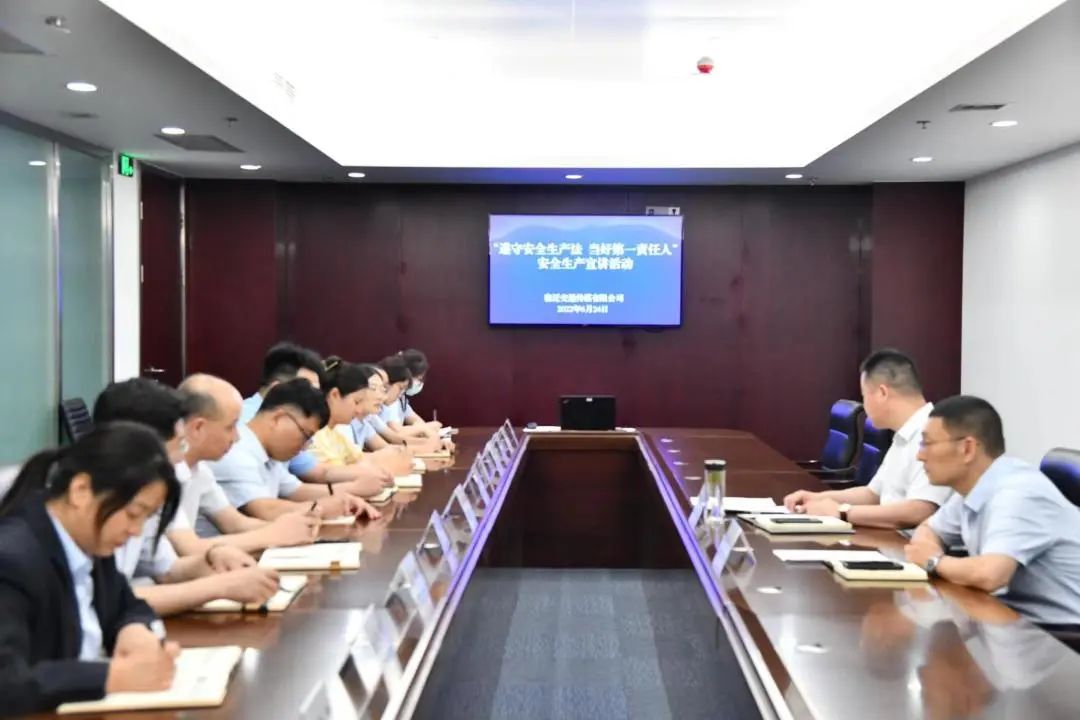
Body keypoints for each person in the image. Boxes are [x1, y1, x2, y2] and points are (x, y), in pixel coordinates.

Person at [0, 423, 182, 715]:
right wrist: (113, 677)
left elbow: (127, 604)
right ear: (81, 490)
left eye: (146, 518)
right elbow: (7, 682)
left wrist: (133, 629)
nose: (136, 531)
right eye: (133, 514)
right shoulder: (12, 560)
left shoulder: (90, 539)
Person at [92, 379, 281, 617]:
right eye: (179, 446)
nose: (182, 459)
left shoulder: (144, 494)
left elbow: (167, 570)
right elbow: (107, 601)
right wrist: (219, 587)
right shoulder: (93, 505)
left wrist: (213, 556)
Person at [905, 395, 1080, 626]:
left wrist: (933, 561)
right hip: (1016, 619)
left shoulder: (1017, 494)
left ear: (967, 448)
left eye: (927, 444)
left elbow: (990, 575)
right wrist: (930, 553)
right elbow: (928, 529)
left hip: (1062, 636)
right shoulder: (975, 487)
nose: (920, 455)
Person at [784, 349, 951, 528]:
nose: (864, 404)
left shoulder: (935, 434)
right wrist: (818, 498)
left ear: (882, 393)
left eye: (864, 395)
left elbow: (920, 510)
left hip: (910, 542)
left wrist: (842, 512)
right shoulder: (904, 434)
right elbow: (873, 494)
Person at [172, 373, 321, 547]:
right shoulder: (166, 473)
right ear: (198, 427)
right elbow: (189, 548)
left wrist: (290, 529)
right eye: (230, 427)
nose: (236, 437)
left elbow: (235, 523)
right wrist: (276, 534)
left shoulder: (201, 470)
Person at [209, 378, 382, 522]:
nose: (305, 447)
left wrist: (344, 498)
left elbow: (296, 490)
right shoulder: (236, 452)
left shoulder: (270, 454)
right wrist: (321, 507)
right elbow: (265, 510)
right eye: (306, 435)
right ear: (279, 418)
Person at [311, 359, 412, 479]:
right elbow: (336, 473)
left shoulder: (333, 433)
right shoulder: (315, 436)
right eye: (357, 401)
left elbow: (360, 459)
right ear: (334, 395)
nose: (358, 410)